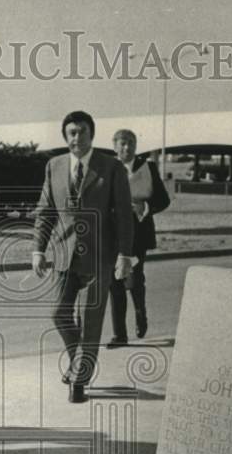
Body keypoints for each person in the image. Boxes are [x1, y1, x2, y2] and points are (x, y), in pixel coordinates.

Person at [32, 111, 134, 403]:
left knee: (90, 319)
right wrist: (38, 248)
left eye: (83, 132)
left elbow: (124, 215)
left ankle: (79, 380)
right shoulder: (55, 166)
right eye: (72, 132)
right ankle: (80, 358)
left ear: (92, 134)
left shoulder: (111, 168)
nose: (77, 138)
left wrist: (125, 255)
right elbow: (46, 210)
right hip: (64, 256)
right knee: (58, 313)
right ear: (65, 136)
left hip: (99, 257)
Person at [106, 128, 170, 346]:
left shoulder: (148, 167)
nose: (127, 147)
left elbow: (163, 200)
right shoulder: (107, 168)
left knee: (133, 279)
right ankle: (119, 335)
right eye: (122, 143)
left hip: (138, 231)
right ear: (114, 146)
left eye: (131, 143)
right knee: (114, 283)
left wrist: (145, 205)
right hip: (112, 233)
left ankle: (140, 312)